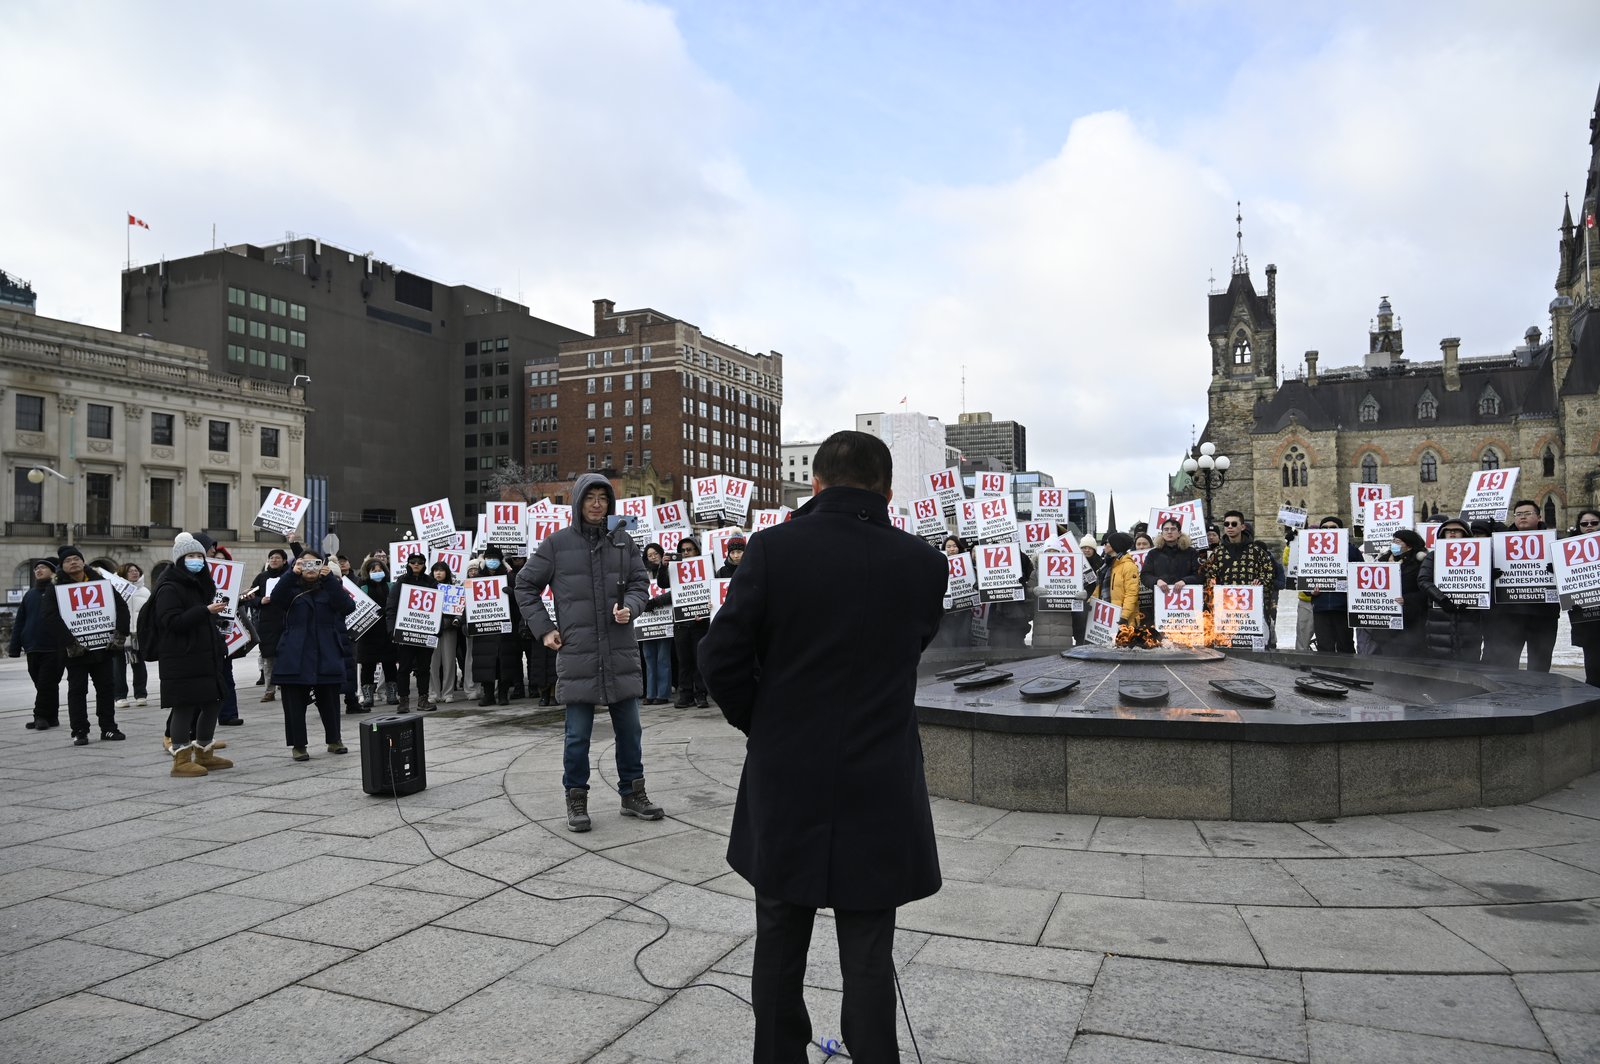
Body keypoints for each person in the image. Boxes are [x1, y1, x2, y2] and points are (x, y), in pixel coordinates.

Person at [699, 430, 946, 1064]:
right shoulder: (924, 563)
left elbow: (719, 656)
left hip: (789, 769)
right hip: (879, 772)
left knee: (780, 937)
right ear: (887, 491)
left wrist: (763, 722)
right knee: (869, 948)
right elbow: (911, 646)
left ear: (815, 483)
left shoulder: (772, 548)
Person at [514, 472, 662, 832]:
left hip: (619, 652)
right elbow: (525, 584)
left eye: (603, 498)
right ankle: (576, 799)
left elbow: (641, 584)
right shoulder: (556, 544)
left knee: (630, 730)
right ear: (579, 502)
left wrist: (631, 606)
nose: (597, 504)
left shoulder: (623, 542)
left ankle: (633, 794)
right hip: (578, 653)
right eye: (590, 497)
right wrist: (544, 628)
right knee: (578, 735)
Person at [261, 549, 353, 761]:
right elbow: (276, 598)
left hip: (326, 650)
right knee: (294, 701)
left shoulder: (330, 586)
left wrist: (330, 579)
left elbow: (348, 606)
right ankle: (298, 745)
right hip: (295, 651)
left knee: (329, 698)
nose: (310, 568)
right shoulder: (290, 588)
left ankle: (334, 739)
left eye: (315, 563)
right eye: (305, 564)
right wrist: (291, 573)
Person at [155, 534, 235, 777]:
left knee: (213, 702)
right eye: (191, 556)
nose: (197, 560)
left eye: (200, 556)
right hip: (182, 657)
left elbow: (202, 618)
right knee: (185, 706)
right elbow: (171, 622)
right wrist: (205, 611)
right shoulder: (169, 587)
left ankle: (204, 752)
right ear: (180, 559)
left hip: (205, 656)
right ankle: (181, 759)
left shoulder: (201, 584)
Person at [41, 545, 129, 746]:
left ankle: (108, 728)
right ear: (62, 566)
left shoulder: (101, 583)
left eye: (76, 558)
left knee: (106, 688)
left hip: (103, 647)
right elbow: (49, 616)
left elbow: (121, 607)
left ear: (83, 562)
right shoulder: (56, 588)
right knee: (77, 690)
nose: (73, 562)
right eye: (67, 560)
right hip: (75, 650)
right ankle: (79, 730)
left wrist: (120, 634)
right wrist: (70, 642)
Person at [1483, 499, 1560, 672]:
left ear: (1539, 517)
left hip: (1544, 615)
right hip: (1509, 614)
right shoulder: (1497, 543)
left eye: (1527, 513)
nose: (1522, 517)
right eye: (1518, 514)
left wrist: (1559, 569)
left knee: (1540, 666)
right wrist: (1489, 574)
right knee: (1506, 664)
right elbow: (1477, 574)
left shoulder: (1555, 541)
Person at [1419, 516, 1486, 664]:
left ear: (1465, 534)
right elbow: (1423, 580)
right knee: (1440, 661)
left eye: (1457, 530)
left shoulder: (1481, 554)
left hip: (1468, 615)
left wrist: (1489, 576)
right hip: (1439, 617)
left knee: (1469, 660)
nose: (1452, 533)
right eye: (1448, 531)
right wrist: (1443, 600)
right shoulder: (1433, 556)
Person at [9, 558, 64, 730]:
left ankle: (39, 716)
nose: (38, 570)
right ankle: (52, 717)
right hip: (32, 646)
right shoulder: (30, 594)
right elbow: (20, 621)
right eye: (36, 568)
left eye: (43, 568)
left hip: (53, 646)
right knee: (42, 683)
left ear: (53, 572)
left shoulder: (59, 591)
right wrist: (14, 647)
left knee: (46, 682)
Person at [1203, 510, 1276, 636]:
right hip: (1225, 609)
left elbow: (1269, 572)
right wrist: (1213, 584)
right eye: (1226, 524)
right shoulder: (1217, 553)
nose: (1230, 527)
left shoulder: (1256, 551)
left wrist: (1260, 581)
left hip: (1250, 611)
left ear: (1242, 527)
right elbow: (1208, 576)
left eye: (1234, 524)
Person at [470, 545, 523, 707]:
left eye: (494, 558)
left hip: (505, 629)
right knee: (485, 663)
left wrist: (512, 595)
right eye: (489, 558)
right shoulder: (477, 579)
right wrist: (467, 623)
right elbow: (470, 604)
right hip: (484, 629)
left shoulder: (510, 578)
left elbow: (521, 602)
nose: (491, 561)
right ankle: (488, 695)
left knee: (505, 663)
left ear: (500, 560)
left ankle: (503, 694)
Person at [385, 552, 437, 712]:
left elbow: (438, 607)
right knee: (404, 668)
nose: (416, 564)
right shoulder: (401, 582)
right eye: (413, 562)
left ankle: (423, 700)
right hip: (405, 632)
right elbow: (391, 607)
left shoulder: (431, 582)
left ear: (424, 565)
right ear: (408, 564)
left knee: (424, 668)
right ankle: (403, 701)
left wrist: (437, 630)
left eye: (420, 562)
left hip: (425, 631)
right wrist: (392, 630)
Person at [665, 537, 710, 708]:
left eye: (689, 549)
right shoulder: (674, 568)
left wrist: (706, 611)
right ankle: (685, 695)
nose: (686, 553)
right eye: (683, 550)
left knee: (699, 660)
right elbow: (662, 583)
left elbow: (710, 591)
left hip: (700, 623)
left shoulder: (706, 566)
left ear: (697, 550)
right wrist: (663, 567)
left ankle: (701, 694)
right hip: (681, 623)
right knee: (684, 661)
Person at [1308, 517, 1362, 655]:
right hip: (1321, 606)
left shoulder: (1352, 550)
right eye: (1324, 528)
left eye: (1333, 528)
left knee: (1345, 645)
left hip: (1343, 607)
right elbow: (1305, 575)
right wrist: (1310, 592)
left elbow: (1360, 577)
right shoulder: (1310, 550)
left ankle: (1348, 669)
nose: (1328, 530)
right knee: (1324, 646)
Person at [1370, 528, 1427, 657]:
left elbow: (1425, 591)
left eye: (1398, 541)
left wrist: (1407, 599)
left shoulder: (1419, 564)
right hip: (1387, 619)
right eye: (1393, 541)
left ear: (1409, 545)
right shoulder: (1383, 561)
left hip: (1411, 620)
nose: (1394, 544)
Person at [356, 553, 399, 706]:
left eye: (380, 570)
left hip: (386, 632)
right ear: (367, 572)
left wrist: (386, 610)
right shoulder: (362, 587)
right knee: (368, 666)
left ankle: (391, 694)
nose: (377, 573)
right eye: (373, 570)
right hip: (368, 633)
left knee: (390, 665)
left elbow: (396, 604)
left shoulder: (390, 586)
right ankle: (368, 696)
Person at [248, 548, 290, 702]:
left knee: (286, 656)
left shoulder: (289, 576)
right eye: (271, 558)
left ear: (284, 561)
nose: (274, 560)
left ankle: (286, 687)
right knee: (268, 657)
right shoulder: (262, 577)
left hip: (286, 621)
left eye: (277, 558)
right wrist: (260, 601)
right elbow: (250, 596)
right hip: (267, 623)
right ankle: (269, 690)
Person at [639, 543, 675, 705]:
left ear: (661, 554)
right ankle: (650, 693)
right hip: (646, 622)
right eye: (649, 555)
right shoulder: (641, 573)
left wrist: (655, 602)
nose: (653, 557)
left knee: (663, 657)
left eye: (655, 553)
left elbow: (674, 592)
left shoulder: (669, 570)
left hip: (664, 619)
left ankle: (663, 693)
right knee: (648, 657)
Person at [1567, 509, 1600, 687]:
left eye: (1594, 523)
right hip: (1588, 617)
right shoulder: (1568, 548)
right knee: (1593, 664)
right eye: (1584, 523)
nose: (1589, 526)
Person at [112, 562, 151, 709]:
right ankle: (120, 696)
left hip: (138, 634)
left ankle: (141, 694)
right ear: (123, 573)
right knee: (118, 666)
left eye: (136, 570)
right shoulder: (116, 589)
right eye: (130, 571)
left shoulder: (145, 591)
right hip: (120, 633)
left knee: (139, 664)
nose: (134, 573)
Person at [1140, 518, 1202, 602]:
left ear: (1179, 533)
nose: (1169, 532)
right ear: (1162, 533)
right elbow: (1145, 575)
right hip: (1160, 600)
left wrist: (1185, 581)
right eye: (1166, 529)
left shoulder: (1192, 552)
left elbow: (1200, 575)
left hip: (1187, 599)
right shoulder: (1153, 553)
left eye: (1173, 529)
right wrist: (1157, 581)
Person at [929, 535, 974, 649]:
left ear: (959, 548)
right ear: (944, 549)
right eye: (948, 547)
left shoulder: (968, 564)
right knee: (947, 641)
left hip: (964, 610)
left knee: (964, 640)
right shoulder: (938, 564)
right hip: (947, 612)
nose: (952, 549)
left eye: (954, 546)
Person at [428, 560, 463, 704]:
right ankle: (433, 693)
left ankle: (448, 693)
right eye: (436, 570)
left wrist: (455, 620)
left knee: (449, 662)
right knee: (432, 663)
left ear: (446, 573)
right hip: (431, 629)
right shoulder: (427, 588)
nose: (438, 573)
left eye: (441, 570)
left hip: (449, 629)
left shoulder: (454, 589)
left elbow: (460, 608)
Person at [1099, 531, 1142, 627]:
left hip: (1124, 620)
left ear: (1115, 546)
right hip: (1108, 615)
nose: (1105, 546)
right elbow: (1099, 589)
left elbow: (1131, 593)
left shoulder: (1128, 566)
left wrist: (1124, 616)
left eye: (1107, 543)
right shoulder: (1109, 565)